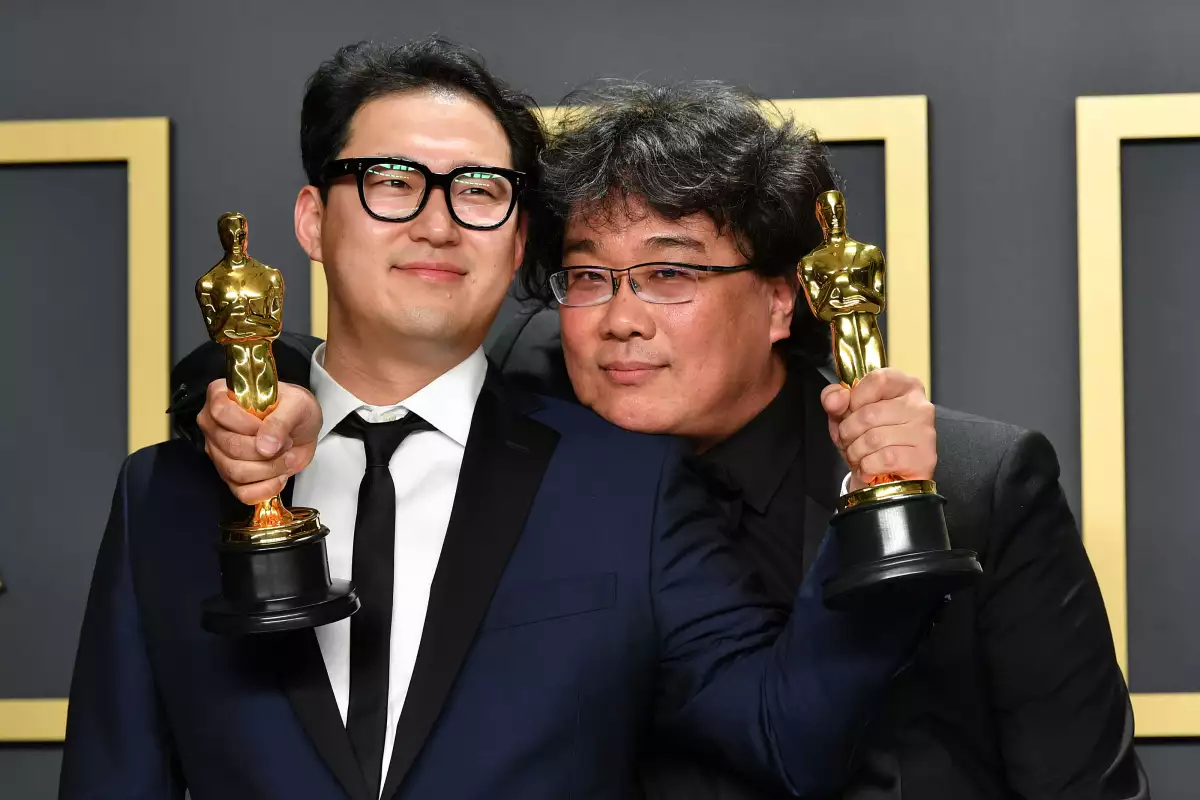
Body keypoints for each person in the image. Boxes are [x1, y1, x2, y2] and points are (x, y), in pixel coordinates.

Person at [185, 79, 1150, 799]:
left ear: (782, 299)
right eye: (590, 276)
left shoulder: (978, 481)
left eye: (671, 275)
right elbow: (353, 369)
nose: (620, 319)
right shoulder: (525, 410)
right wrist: (259, 392)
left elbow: (1082, 785)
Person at [61, 40, 941, 800]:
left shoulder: (625, 483)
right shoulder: (168, 495)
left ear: (519, 242)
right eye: (393, 182)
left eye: (479, 191)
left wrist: (886, 504)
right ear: (313, 220)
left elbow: (787, 737)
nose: (438, 222)